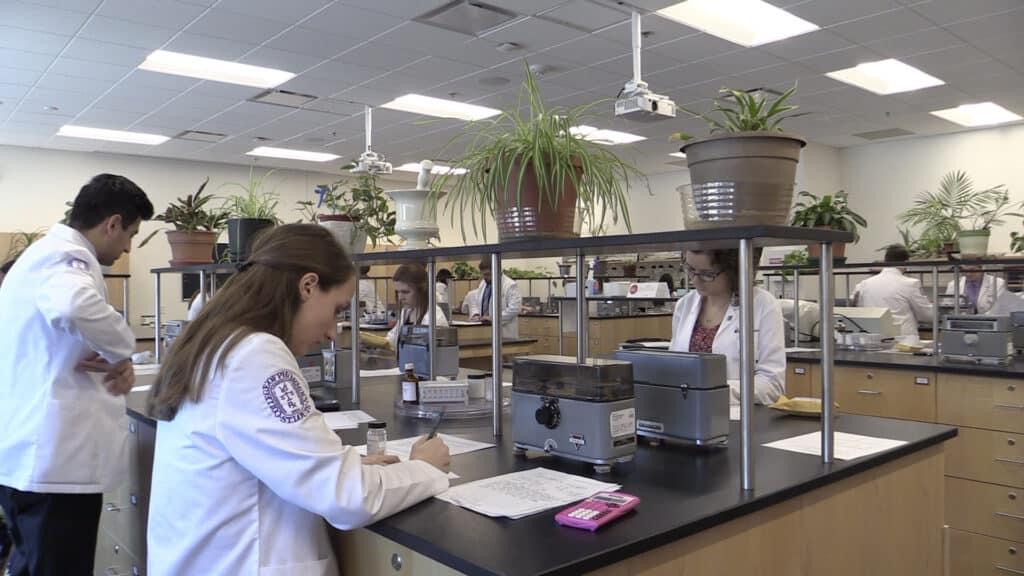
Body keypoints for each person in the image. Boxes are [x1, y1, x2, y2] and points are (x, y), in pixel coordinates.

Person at [145, 225, 451, 575]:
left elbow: (266, 456)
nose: (332, 332)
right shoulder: (255, 355)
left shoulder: (220, 342)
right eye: (336, 310)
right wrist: (424, 468)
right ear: (307, 286)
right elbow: (348, 497)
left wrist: (336, 463)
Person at [0, 173, 153, 576]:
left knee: (32, 565)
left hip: (38, 463)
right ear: (113, 223)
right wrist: (122, 349)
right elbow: (73, 306)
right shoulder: (64, 259)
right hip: (54, 469)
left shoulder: (42, 256)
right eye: (131, 234)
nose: (127, 247)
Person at [669, 249, 786, 405]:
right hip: (686, 409)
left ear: (734, 271)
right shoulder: (685, 305)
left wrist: (714, 392)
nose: (695, 281)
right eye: (690, 270)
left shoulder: (762, 304)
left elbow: (772, 384)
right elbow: (672, 368)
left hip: (741, 417)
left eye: (707, 274)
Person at [850, 244, 934, 336]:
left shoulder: (863, 284)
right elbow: (927, 316)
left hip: (873, 338)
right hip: (903, 340)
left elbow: (855, 307)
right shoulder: (910, 284)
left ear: (885, 260)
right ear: (906, 262)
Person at [387, 263, 450, 349]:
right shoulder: (407, 312)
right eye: (398, 292)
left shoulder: (435, 318)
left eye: (405, 292)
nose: (400, 297)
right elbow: (392, 339)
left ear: (421, 291)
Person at [468, 259, 522, 339]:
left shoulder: (510, 285)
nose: (485, 277)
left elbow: (515, 309)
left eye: (488, 274)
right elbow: (476, 301)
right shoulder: (483, 283)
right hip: (484, 331)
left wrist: (493, 318)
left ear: (497, 271)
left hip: (504, 332)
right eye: (483, 274)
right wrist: (476, 314)